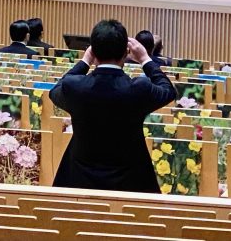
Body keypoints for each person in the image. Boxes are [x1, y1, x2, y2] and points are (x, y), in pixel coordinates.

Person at [50, 19, 177, 191]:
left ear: (93, 51)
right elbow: (168, 90)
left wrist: (85, 61)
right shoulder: (139, 89)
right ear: (126, 52)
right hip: (131, 184)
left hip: (78, 182)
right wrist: (145, 59)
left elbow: (55, 90)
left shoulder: (75, 87)